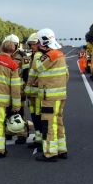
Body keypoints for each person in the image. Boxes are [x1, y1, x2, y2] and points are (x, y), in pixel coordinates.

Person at [34, 28, 69, 162]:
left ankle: (50, 152)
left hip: (49, 97)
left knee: (49, 124)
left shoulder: (49, 56)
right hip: (60, 95)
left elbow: (38, 67)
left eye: (38, 42)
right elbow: (67, 75)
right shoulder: (60, 54)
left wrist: (39, 54)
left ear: (43, 41)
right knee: (59, 122)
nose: (36, 44)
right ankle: (62, 149)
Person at [4, 34, 31, 145]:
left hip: (19, 89)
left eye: (13, 45)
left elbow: (26, 73)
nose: (11, 46)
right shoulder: (5, 55)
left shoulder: (22, 56)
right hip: (6, 89)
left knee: (20, 113)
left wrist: (24, 88)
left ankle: (22, 134)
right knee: (8, 112)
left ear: (16, 45)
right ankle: (9, 132)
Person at [24, 33, 43, 149]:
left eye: (33, 45)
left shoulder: (39, 56)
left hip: (37, 93)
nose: (31, 47)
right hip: (32, 93)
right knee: (35, 116)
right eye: (30, 45)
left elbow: (40, 73)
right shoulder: (33, 55)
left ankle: (41, 141)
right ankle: (38, 139)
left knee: (39, 116)